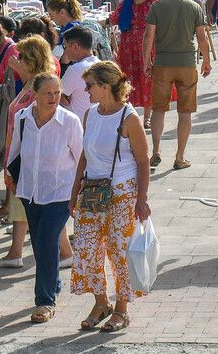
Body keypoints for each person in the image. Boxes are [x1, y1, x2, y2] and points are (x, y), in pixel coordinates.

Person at [70, 61, 151, 333]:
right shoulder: (90, 114)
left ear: (105, 87)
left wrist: (142, 199)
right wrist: (74, 192)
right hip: (92, 192)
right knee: (87, 249)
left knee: (119, 252)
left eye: (90, 85)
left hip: (122, 193)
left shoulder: (129, 118)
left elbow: (142, 161)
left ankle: (122, 309)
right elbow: (84, 155)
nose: (86, 90)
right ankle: (101, 302)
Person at [0, 36, 72, 271]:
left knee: (28, 206)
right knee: (26, 207)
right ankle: (58, 253)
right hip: (22, 155)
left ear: (31, 59)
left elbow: (29, 114)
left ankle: (32, 254)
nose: (16, 59)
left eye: (21, 56)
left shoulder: (39, 87)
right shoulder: (32, 82)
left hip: (28, 158)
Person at [6, 73, 83, 323]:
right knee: (40, 244)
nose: (53, 98)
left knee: (48, 239)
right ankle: (53, 284)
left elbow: (82, 156)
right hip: (30, 191)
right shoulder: (22, 118)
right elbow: (14, 150)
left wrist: (81, 189)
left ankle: (44, 301)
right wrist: (9, 174)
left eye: (57, 92)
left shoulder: (70, 122)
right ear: (35, 96)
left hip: (61, 191)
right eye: (47, 93)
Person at [143, 0, 213, 169]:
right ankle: (180, 156)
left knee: (159, 109)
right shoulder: (194, 7)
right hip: (187, 63)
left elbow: (149, 37)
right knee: (185, 112)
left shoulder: (157, 6)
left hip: (163, 63)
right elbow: (202, 38)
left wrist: (146, 60)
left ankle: (156, 151)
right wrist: (207, 61)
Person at [109, 0, 158, 123]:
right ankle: (132, 116)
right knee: (129, 79)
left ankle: (148, 117)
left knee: (147, 79)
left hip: (147, 47)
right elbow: (114, 18)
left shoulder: (154, 4)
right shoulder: (127, 2)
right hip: (128, 47)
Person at [59, 26, 98, 118]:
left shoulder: (75, 69)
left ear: (75, 46)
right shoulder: (100, 64)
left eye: (65, 46)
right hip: (95, 124)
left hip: (77, 126)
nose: (64, 50)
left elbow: (58, 96)